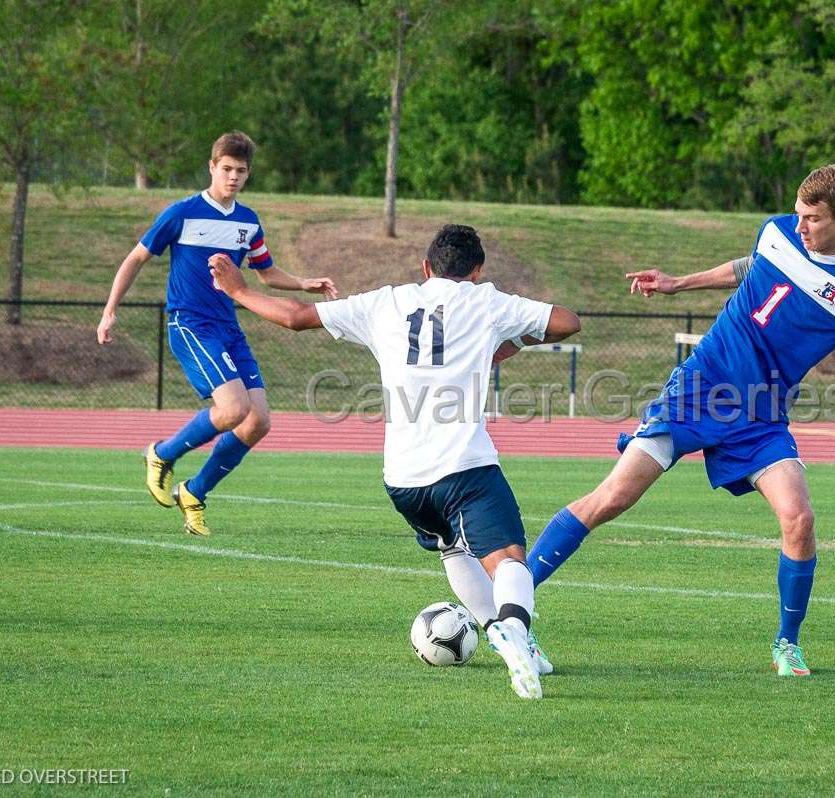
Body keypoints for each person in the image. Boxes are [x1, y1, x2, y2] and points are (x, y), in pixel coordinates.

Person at [526, 165, 835, 676]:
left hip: (761, 418)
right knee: (611, 498)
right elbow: (747, 266)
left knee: (800, 519)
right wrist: (679, 284)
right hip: (699, 389)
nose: (800, 224)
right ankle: (513, 610)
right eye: (798, 212)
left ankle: (787, 645)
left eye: (812, 217)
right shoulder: (778, 230)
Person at [209, 223, 580, 700]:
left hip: (403, 479)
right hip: (464, 465)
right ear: (478, 271)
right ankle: (513, 631)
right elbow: (568, 321)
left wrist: (239, 290)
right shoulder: (486, 301)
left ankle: (508, 637)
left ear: (426, 269)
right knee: (509, 559)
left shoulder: (386, 302)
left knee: (453, 548)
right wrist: (510, 343)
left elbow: (296, 317)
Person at [97, 131, 337, 537]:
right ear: (212, 167)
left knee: (257, 421)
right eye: (226, 169)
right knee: (231, 411)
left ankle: (194, 491)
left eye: (241, 171)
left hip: (228, 327)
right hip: (190, 323)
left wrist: (304, 283)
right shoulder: (182, 213)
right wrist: (109, 310)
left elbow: (265, 272)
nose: (233, 177)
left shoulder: (248, 222)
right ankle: (161, 453)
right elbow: (135, 258)